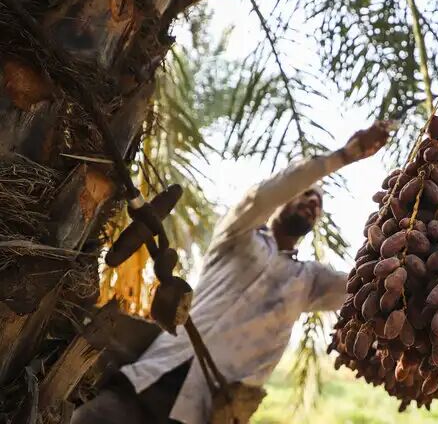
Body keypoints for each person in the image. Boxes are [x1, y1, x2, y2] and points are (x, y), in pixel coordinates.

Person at [71, 121, 392, 424]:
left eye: (318, 204)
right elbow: (262, 195)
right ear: (282, 202)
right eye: (306, 193)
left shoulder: (308, 281)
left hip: (204, 411)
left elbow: (364, 285)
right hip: (147, 381)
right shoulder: (238, 235)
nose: (312, 202)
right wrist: (344, 156)